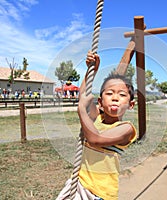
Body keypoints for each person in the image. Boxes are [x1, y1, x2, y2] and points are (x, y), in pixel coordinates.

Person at [57, 51, 137, 200]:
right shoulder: (96, 118)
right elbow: (84, 97)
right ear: (100, 102)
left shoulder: (127, 129)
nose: (115, 98)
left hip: (101, 193)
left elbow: (96, 139)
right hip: (79, 185)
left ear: (131, 104)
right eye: (109, 93)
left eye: (122, 95)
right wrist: (92, 70)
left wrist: (80, 109)